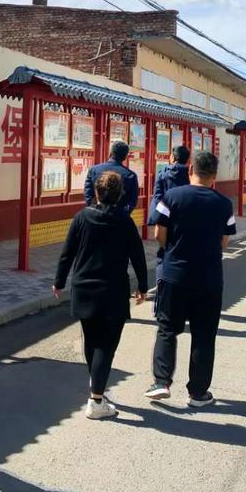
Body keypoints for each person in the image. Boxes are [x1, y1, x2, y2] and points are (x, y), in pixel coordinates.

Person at [53, 171, 148, 418]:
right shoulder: (125, 222)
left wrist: (59, 281)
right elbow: (138, 256)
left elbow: (67, 252)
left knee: (91, 340)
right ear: (120, 195)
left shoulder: (81, 217)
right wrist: (143, 286)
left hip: (84, 287)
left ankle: (96, 383)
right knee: (106, 346)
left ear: (96, 192)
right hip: (113, 291)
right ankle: (96, 400)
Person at [147, 151, 236, 408]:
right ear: (214, 176)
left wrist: (172, 250)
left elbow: (158, 234)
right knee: (204, 335)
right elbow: (225, 241)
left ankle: (161, 382)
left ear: (190, 170)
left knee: (167, 329)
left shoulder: (171, 197)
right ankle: (198, 393)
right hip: (209, 278)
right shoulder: (224, 204)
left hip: (174, 275)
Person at [145, 145, 191, 300]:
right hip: (184, 220)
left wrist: (155, 219)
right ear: (187, 159)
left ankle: (162, 289)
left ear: (173, 157)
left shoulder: (163, 174)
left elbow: (157, 197)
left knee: (164, 254)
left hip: (166, 219)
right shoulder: (190, 174)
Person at [83, 140, 139, 214]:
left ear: (110, 152)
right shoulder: (130, 175)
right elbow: (132, 201)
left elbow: (88, 193)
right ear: (125, 156)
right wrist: (123, 215)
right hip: (118, 217)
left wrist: (94, 210)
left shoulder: (94, 170)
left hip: (96, 215)